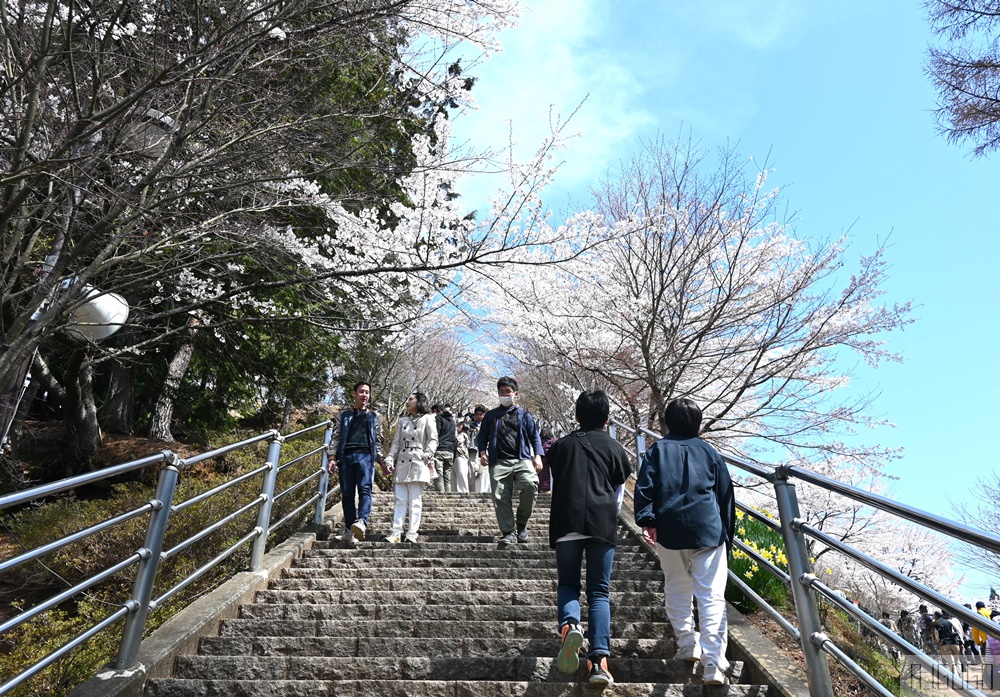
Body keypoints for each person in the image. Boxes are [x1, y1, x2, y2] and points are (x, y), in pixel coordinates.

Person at [633, 397, 735, 687]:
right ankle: (714, 662)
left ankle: (688, 643)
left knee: (677, 585)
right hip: (708, 529)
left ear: (668, 422)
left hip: (669, 527)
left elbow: (645, 487)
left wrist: (648, 520)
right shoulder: (710, 452)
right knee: (711, 595)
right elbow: (726, 496)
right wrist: (727, 534)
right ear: (697, 422)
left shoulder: (658, 450)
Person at [548, 390, 632, 685]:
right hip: (601, 524)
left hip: (567, 521)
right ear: (607, 418)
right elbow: (619, 499)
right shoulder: (615, 448)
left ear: (576, 416)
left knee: (569, 584)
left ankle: (570, 626)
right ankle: (598, 663)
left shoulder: (560, 447)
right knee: (599, 592)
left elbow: (556, 486)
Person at [476, 377, 545, 547]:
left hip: (522, 459)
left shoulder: (524, 415)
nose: (504, 395)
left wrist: (538, 456)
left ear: (516, 394)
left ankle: (522, 523)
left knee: (530, 484)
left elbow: (534, 437)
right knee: (500, 496)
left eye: (508, 392)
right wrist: (483, 453)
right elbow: (482, 437)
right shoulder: (491, 416)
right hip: (499, 462)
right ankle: (508, 531)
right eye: (501, 392)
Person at [328, 380, 382, 544]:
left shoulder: (374, 416)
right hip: (346, 456)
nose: (364, 395)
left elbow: (378, 440)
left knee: (365, 489)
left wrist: (381, 460)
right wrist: (332, 457)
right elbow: (336, 436)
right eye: (361, 391)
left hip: (365, 456)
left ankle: (362, 522)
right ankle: (349, 530)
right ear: (354, 394)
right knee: (347, 494)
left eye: (367, 392)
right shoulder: (343, 415)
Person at [384, 392, 437, 543]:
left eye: (411, 399)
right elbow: (396, 443)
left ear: (419, 401)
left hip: (418, 461)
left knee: (415, 500)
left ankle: (412, 533)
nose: (407, 402)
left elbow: (433, 439)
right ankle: (396, 533)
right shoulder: (402, 421)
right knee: (400, 499)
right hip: (402, 461)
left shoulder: (428, 418)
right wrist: (389, 459)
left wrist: (427, 455)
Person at [431, 404, 457, 493]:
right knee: (447, 476)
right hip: (450, 450)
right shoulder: (452, 420)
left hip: (440, 449)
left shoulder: (438, 418)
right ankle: (448, 495)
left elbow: (435, 433)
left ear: (436, 411)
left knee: (439, 475)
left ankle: (440, 497)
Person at [453, 420, 470, 493]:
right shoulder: (458, 434)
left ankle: (463, 491)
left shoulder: (463, 435)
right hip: (455, 456)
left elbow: (458, 442)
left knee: (461, 473)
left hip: (461, 456)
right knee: (455, 475)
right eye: (457, 425)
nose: (457, 427)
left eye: (460, 425)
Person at [538, 426, 557, 493]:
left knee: (543, 479)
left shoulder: (539, 441)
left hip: (542, 462)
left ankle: (543, 490)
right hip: (553, 463)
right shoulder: (555, 441)